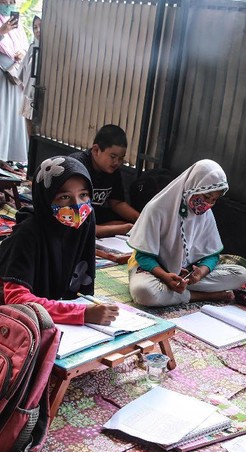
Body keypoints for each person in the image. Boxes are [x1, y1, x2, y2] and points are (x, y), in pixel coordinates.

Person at [0, 156, 118, 325]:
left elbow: (80, 285)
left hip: (46, 311)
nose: (77, 206)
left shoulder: (85, 223)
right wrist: (81, 313)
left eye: (84, 195)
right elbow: (16, 299)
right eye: (64, 197)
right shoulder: (26, 235)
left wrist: (83, 309)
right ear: (45, 199)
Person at [127, 159, 246, 307]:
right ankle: (200, 296)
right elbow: (143, 255)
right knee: (144, 292)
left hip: (186, 274)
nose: (208, 204)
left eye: (214, 200)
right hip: (154, 271)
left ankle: (175, 291)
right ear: (193, 185)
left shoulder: (205, 214)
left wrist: (199, 274)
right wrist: (165, 276)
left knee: (241, 275)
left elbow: (211, 255)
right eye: (205, 196)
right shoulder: (157, 209)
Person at [70, 124, 140, 237]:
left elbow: (117, 203)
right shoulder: (77, 168)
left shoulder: (111, 170)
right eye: (113, 156)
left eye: (121, 158)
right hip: (72, 220)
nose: (117, 162)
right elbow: (75, 223)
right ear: (96, 150)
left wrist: (142, 220)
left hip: (92, 218)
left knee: (125, 221)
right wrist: (124, 228)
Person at [0, 0, 28, 163]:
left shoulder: (18, 24)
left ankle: (7, 158)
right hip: (1, 78)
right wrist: (2, 31)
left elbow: (24, 46)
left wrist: (20, 53)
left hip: (14, 77)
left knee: (12, 117)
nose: (10, 2)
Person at [19, 15, 39, 137]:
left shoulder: (50, 49)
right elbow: (22, 70)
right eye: (35, 27)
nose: (38, 30)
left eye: (41, 26)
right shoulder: (32, 47)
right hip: (29, 94)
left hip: (40, 94)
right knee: (29, 127)